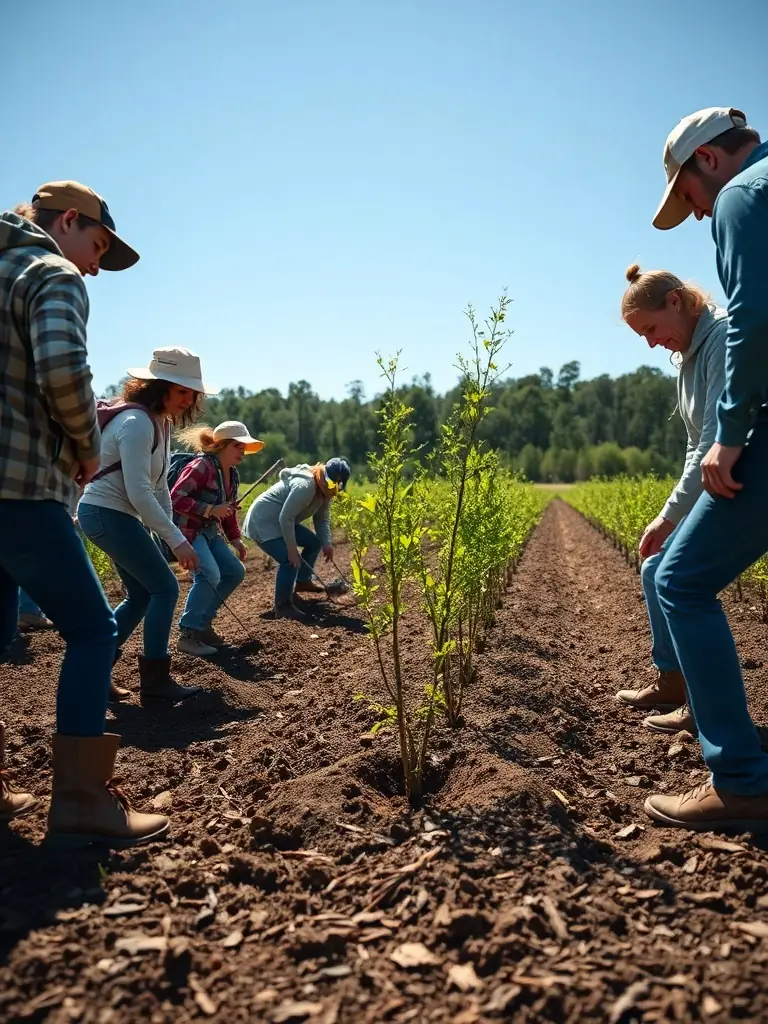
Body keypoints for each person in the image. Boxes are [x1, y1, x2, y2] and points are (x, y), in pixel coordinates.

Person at [0, 180, 168, 844]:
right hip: (18, 490)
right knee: (94, 631)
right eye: (95, 246)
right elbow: (65, 374)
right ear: (67, 221)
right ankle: (78, 801)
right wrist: (83, 447)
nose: (93, 265)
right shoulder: (53, 274)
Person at [643, 106, 768, 832]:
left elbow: (756, 315)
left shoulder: (743, 196)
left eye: (688, 197)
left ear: (708, 165)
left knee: (679, 579)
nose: (697, 214)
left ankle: (743, 780)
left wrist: (731, 433)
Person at [614, 265, 726, 737]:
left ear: (676, 302)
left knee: (675, 579)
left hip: (740, 477)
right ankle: (673, 681)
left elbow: (714, 439)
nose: (651, 342)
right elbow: (692, 442)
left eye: (651, 329)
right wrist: (671, 513)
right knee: (653, 568)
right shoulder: (686, 358)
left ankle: (705, 707)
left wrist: (667, 516)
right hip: (718, 477)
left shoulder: (721, 338)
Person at [78, 347, 216, 706]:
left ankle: (94, 672)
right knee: (165, 588)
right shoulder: (137, 423)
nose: (188, 399)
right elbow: (139, 492)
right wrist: (177, 542)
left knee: (141, 594)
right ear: (159, 386)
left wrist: (174, 536)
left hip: (116, 514)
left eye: (192, 393)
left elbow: (158, 489)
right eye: (182, 390)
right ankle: (155, 683)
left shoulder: (160, 424)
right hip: (106, 512)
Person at [170, 421, 262, 656]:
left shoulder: (232, 474)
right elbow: (175, 499)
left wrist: (236, 539)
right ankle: (188, 634)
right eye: (238, 446)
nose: (242, 452)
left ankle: (203, 624)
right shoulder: (201, 466)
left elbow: (228, 510)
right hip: (188, 531)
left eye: (244, 447)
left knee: (235, 571)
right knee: (209, 574)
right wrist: (210, 509)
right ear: (221, 446)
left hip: (209, 532)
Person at [243, 458, 351, 620]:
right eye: (330, 483)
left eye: (337, 486)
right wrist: (292, 549)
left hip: (282, 521)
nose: (333, 489)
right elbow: (286, 517)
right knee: (289, 560)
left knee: (314, 543)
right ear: (323, 475)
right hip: (263, 521)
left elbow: (321, 520)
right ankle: (283, 606)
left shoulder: (325, 492)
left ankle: (303, 581)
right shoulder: (305, 486)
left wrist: (327, 544)